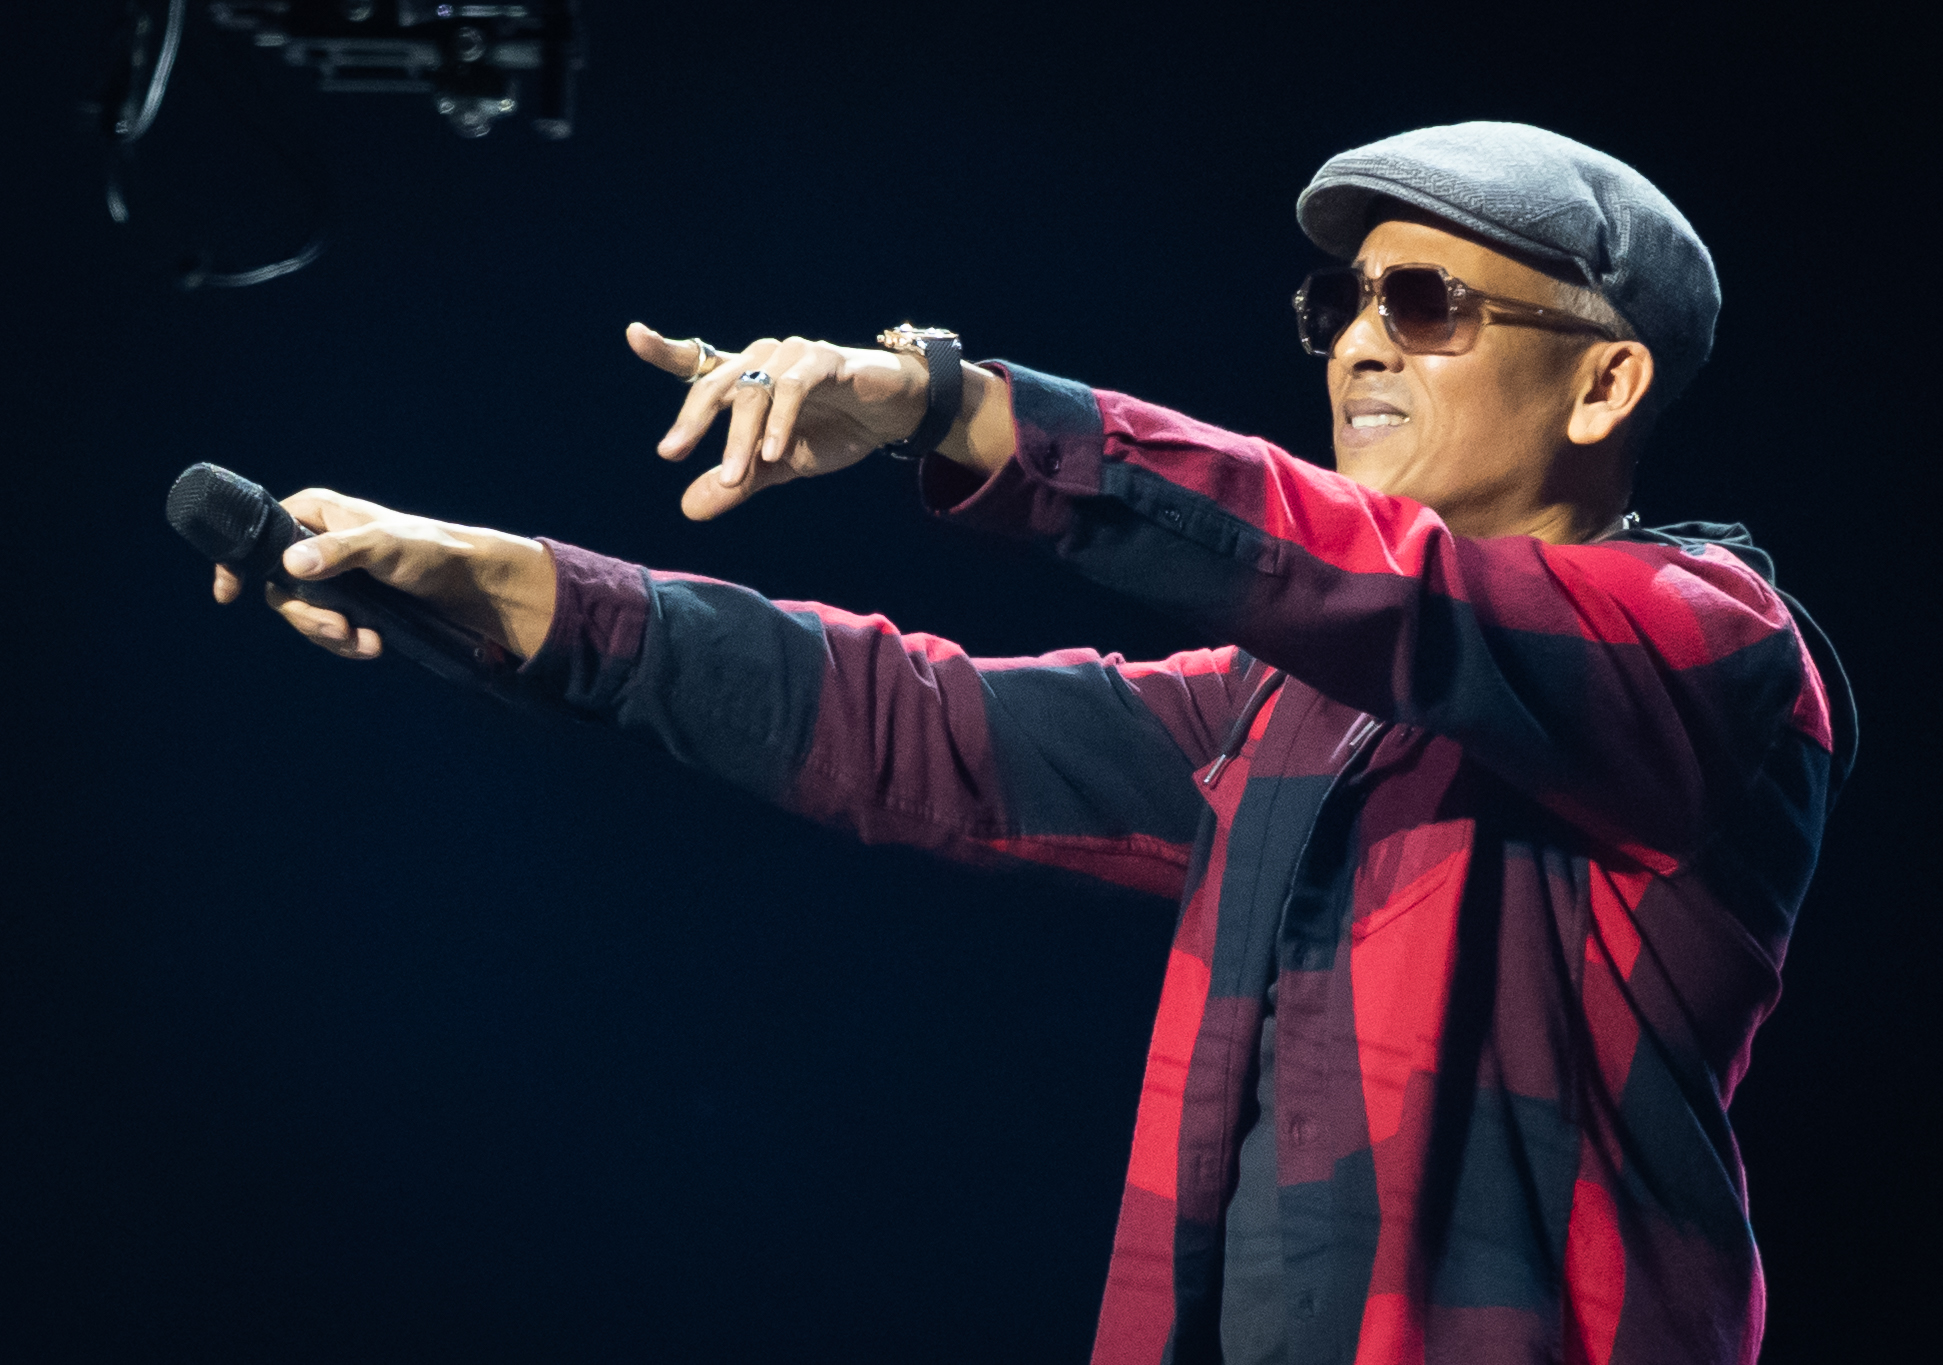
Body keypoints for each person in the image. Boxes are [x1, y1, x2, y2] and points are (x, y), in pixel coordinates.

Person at [207, 123, 1854, 1364]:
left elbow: (1373, 580)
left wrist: (957, 406)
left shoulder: (1708, 644)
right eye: (1339, 300)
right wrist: (512, 591)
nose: (1355, 343)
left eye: (1424, 304)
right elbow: (916, 724)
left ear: (1603, 384)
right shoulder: (1284, 707)